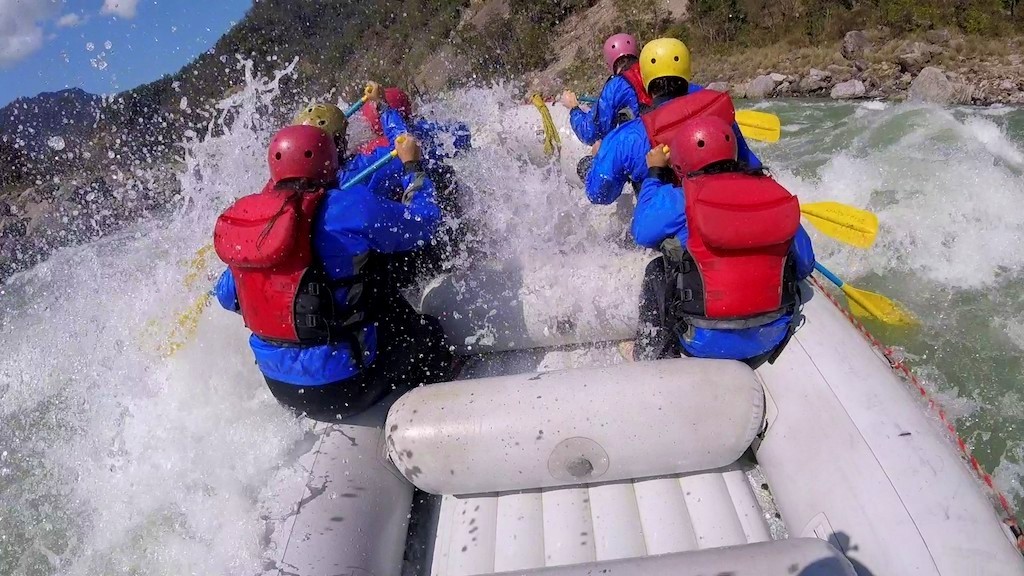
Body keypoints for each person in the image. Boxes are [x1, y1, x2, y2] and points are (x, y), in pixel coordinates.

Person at [212, 123, 455, 420]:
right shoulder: (350, 207)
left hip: (281, 389)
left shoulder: (255, 226)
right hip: (348, 387)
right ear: (330, 162)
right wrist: (413, 167)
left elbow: (226, 297)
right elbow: (425, 221)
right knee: (426, 331)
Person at [629, 115, 815, 367]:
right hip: (770, 335)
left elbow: (641, 232)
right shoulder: (775, 195)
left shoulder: (679, 199)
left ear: (682, 163)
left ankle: (651, 356)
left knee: (657, 270)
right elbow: (805, 264)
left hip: (699, 339)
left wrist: (654, 173)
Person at [582, 37, 762, 206]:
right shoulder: (718, 114)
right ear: (687, 71)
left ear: (644, 79)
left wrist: (596, 159)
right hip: (727, 209)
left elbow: (600, 195)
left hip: (667, 226)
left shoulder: (628, 137)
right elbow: (752, 166)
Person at [561, 33, 653, 146]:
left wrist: (574, 108)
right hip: (661, 140)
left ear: (610, 62)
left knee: (585, 163)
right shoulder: (651, 72)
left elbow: (590, 134)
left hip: (641, 150)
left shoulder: (615, 86)